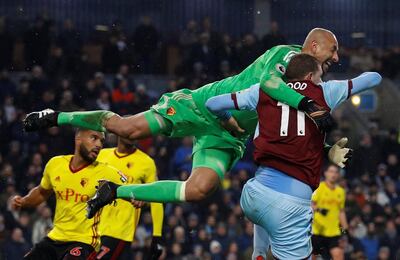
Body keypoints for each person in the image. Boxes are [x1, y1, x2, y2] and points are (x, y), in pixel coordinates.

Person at [23, 28, 338, 210]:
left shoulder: (313, 85)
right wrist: (309, 105)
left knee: (199, 189)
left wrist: (327, 151)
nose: (336, 58)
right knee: (127, 129)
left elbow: (294, 135)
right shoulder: (290, 56)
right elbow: (269, 84)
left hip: (229, 135)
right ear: (314, 46)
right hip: (201, 106)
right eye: (332, 50)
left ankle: (112, 192)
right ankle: (56, 116)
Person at [205, 54, 381, 259]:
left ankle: (259, 252)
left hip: (253, 195)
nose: (321, 81)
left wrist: (229, 121)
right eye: (319, 76)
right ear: (309, 76)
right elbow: (374, 78)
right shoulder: (325, 91)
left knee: (266, 215)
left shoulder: (263, 91)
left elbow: (212, 103)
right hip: (290, 207)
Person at [11, 129, 127, 259]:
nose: (99, 145)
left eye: (102, 141)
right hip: (55, 238)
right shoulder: (56, 164)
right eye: (94, 138)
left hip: (84, 241)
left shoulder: (107, 172)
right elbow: (42, 192)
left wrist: (139, 198)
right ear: (78, 139)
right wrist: (24, 201)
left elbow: (130, 189)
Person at [96, 136, 164, 259]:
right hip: (93, 227)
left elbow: (156, 199)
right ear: (119, 131)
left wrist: (156, 236)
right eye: (129, 130)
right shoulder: (102, 155)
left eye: (136, 132)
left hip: (119, 231)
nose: (133, 134)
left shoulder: (146, 162)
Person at [312, 164, 349, 260]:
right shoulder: (319, 187)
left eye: (336, 172)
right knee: (313, 257)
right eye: (331, 171)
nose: (333, 174)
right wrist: (319, 209)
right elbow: (310, 204)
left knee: (338, 255)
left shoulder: (341, 191)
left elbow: (341, 212)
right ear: (326, 173)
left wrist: (345, 229)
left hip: (333, 232)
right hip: (318, 230)